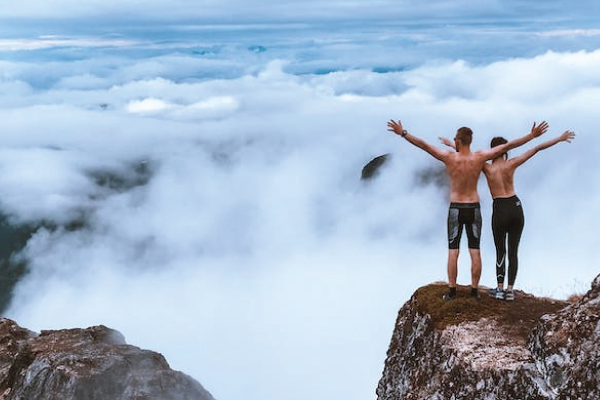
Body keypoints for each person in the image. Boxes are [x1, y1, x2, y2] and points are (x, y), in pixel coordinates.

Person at [387, 119, 548, 300]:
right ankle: (474, 291)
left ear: (458, 141)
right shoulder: (479, 157)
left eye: (455, 140)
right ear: (470, 141)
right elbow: (508, 146)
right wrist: (531, 136)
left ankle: (452, 291)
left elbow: (424, 145)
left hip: (456, 207)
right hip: (474, 207)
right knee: (475, 250)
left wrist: (403, 133)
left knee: (453, 251)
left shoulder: (449, 157)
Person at [480, 130, 575, 301]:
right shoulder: (512, 164)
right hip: (516, 207)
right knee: (513, 251)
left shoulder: (486, 167)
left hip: (500, 208)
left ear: (492, 151)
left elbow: (464, 157)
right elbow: (537, 148)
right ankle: (510, 291)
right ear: (506, 150)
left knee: (500, 250)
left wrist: (452, 145)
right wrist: (559, 138)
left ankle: (500, 290)